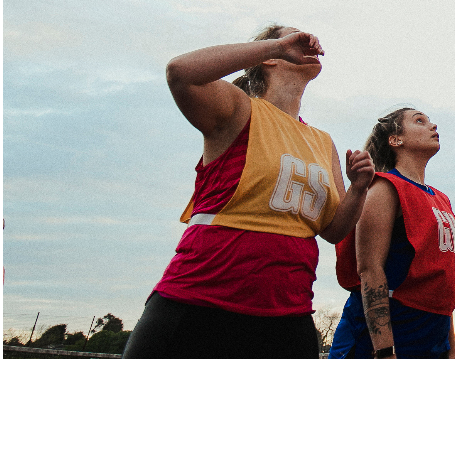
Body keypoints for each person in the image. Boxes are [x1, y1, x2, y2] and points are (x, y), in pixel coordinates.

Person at [125, 25, 373, 358]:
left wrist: (358, 189)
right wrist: (277, 46)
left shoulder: (322, 141)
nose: (308, 41)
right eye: (292, 36)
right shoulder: (240, 109)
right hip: (199, 302)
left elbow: (333, 230)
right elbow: (180, 73)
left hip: (287, 313)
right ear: (270, 57)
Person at [326, 106, 455, 359]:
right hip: (386, 336)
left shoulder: (441, 199)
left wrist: (450, 350)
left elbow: (442, 286)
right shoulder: (385, 188)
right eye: (420, 120)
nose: (433, 126)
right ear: (395, 140)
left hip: (431, 336)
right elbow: (369, 269)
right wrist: (384, 351)